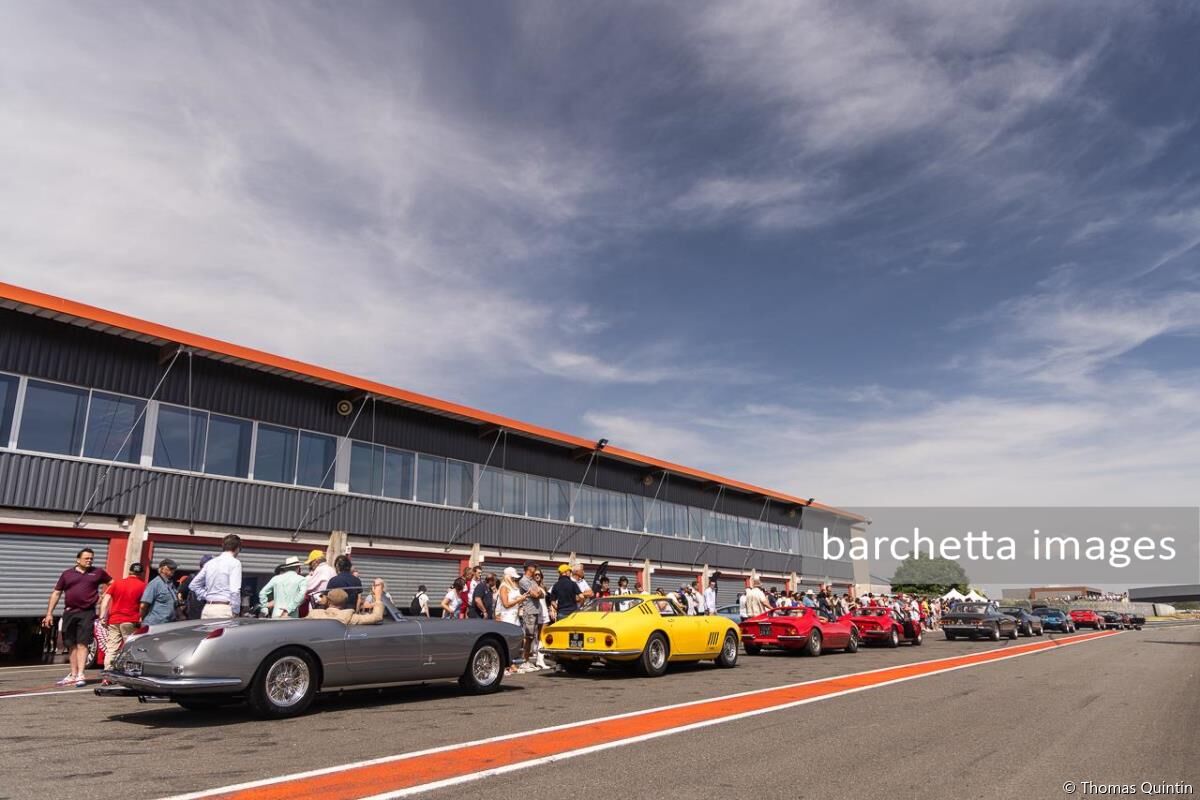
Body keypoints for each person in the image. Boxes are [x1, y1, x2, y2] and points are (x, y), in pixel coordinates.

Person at [43, 547, 112, 687]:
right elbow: (56, 593)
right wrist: (49, 613)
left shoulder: (97, 572)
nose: (89, 560)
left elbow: (113, 583)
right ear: (78, 559)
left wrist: (104, 597)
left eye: (91, 558)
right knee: (71, 644)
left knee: (82, 643)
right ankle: (73, 674)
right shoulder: (67, 574)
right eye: (86, 558)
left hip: (87, 613)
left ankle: (81, 674)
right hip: (69, 612)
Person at [98, 563, 146, 672]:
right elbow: (143, 605)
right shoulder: (143, 585)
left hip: (114, 620)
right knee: (131, 647)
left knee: (111, 648)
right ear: (141, 574)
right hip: (131, 620)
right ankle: (130, 672)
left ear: (129, 571)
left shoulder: (117, 583)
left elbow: (105, 601)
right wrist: (141, 617)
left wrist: (102, 617)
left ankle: (108, 673)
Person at [189, 534, 243, 619]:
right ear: (237, 548)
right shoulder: (235, 563)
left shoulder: (210, 563)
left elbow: (193, 585)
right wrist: (236, 611)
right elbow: (234, 590)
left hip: (208, 608)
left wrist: (206, 595)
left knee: (206, 633)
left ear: (223, 546)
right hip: (224, 609)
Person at [306, 581, 386, 625]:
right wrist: (378, 598)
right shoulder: (348, 617)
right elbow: (376, 617)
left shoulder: (314, 614)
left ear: (328, 601)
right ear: (344, 603)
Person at [518, 563, 545, 672]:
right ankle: (523, 661)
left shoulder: (533, 581)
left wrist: (538, 593)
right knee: (528, 637)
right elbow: (535, 594)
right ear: (529, 568)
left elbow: (542, 594)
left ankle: (527, 660)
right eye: (534, 567)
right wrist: (537, 593)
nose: (535, 569)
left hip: (535, 611)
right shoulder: (523, 580)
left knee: (531, 637)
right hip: (529, 611)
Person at [140, 558, 178, 625]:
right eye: (170, 568)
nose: (173, 570)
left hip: (167, 624)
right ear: (162, 569)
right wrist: (141, 619)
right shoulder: (155, 583)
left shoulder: (171, 585)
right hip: (154, 624)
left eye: (174, 568)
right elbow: (143, 606)